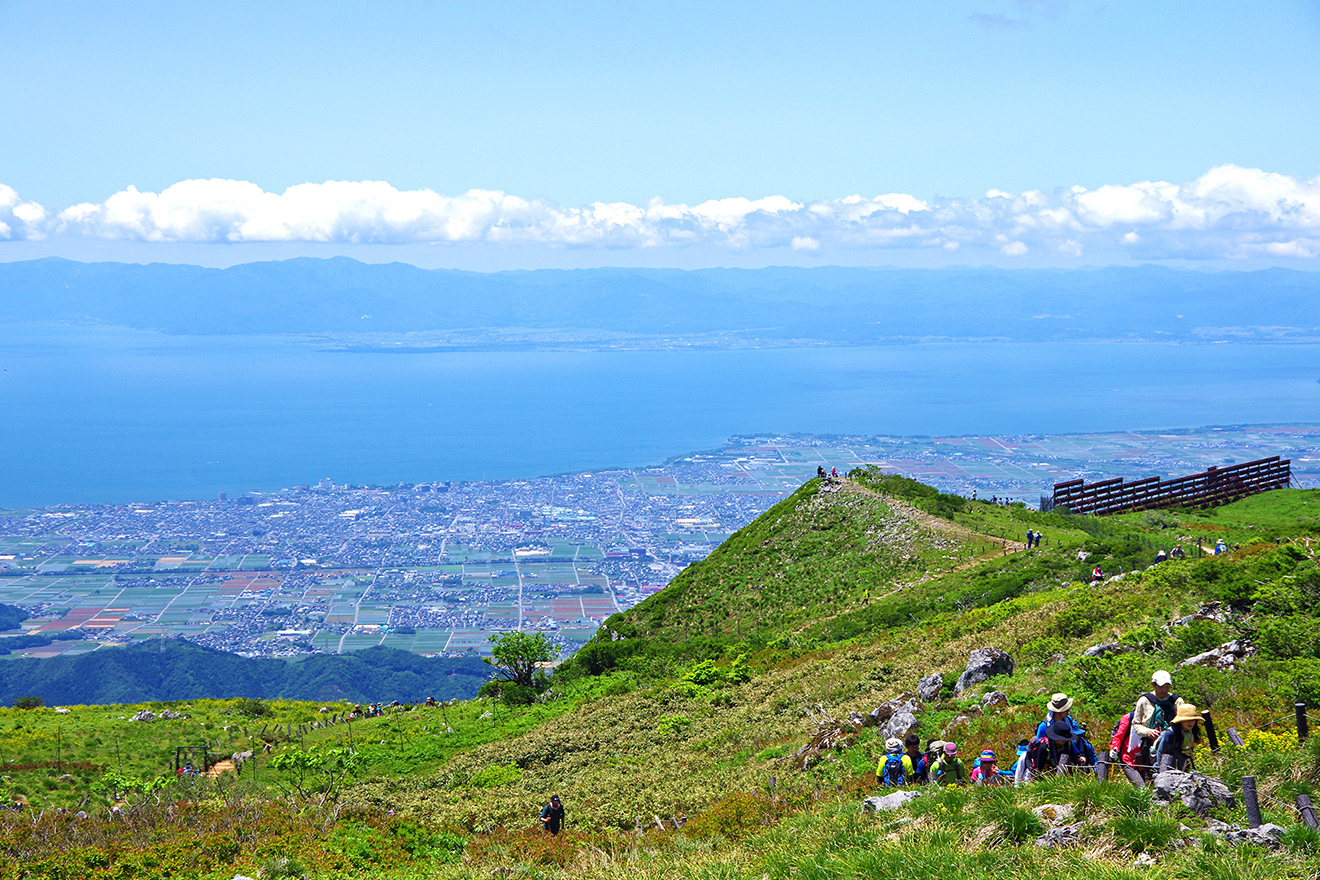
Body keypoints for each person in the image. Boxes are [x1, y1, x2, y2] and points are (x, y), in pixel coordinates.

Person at [1132, 671, 1183, 777]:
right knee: (1151, 775)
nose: (1164, 690)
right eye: (1161, 687)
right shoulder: (1144, 701)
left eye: (1167, 686)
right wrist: (1147, 731)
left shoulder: (1177, 701)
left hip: (1174, 744)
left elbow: (1184, 722)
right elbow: (1136, 724)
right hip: (1150, 745)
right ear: (1153, 684)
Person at [1153, 703, 1202, 772]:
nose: (1190, 722)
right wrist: (1161, 772)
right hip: (1167, 768)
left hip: (1182, 765)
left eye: (1193, 720)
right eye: (1187, 720)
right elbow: (1161, 752)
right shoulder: (1170, 733)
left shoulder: (1190, 733)